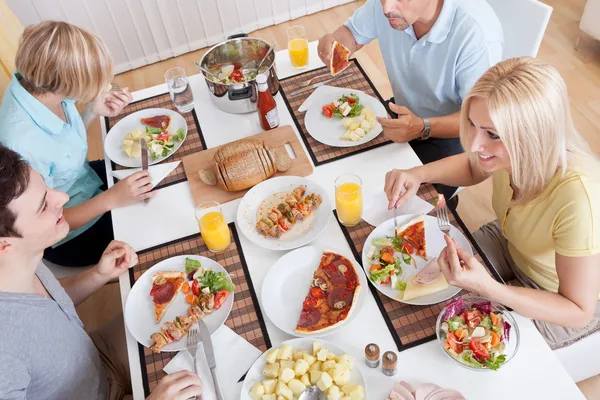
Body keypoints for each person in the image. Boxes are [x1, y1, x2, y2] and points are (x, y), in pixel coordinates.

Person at [384, 57, 600, 349]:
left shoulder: (579, 199)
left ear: (533, 136)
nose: (474, 145)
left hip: (559, 293)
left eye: (493, 135)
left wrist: (492, 289)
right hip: (512, 242)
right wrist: (418, 173)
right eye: (473, 125)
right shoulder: (505, 154)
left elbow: (577, 310)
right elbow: (475, 166)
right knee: (425, 287)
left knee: (466, 339)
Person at [0, 145, 202, 400]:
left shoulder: (21, 256)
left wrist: (98, 275)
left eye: (46, 188)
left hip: (97, 358)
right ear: (4, 245)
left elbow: (45, 304)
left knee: (201, 315)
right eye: (43, 206)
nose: (62, 198)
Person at [0, 21, 156, 268]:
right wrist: (111, 199)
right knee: (157, 226)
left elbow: (64, 151)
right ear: (66, 83)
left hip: (86, 184)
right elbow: (46, 226)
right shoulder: (20, 145)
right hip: (70, 233)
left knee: (157, 178)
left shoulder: (38, 84)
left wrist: (93, 111)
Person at [318, 0, 503, 200]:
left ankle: (446, 205)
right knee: (343, 168)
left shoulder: (475, 34)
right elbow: (352, 34)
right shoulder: (389, 6)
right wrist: (335, 43)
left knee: (387, 200)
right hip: (404, 113)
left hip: (459, 137)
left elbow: (481, 122)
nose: (386, 9)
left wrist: (422, 127)